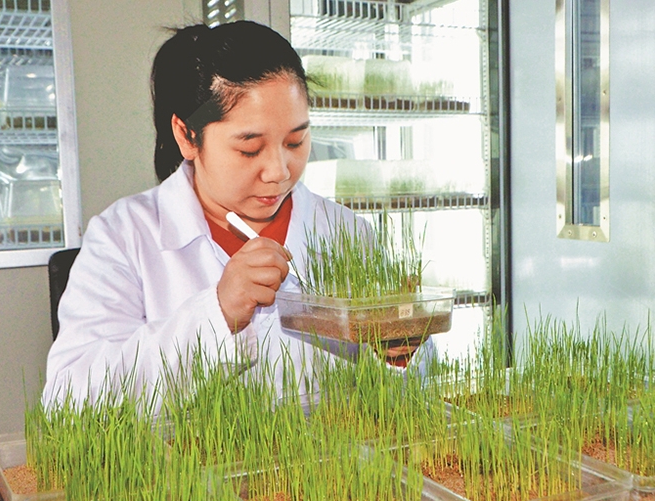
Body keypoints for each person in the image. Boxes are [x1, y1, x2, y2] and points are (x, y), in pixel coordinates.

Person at [43, 20, 435, 409]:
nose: (278, 171)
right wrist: (218, 313)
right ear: (187, 136)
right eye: (250, 149)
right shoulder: (124, 235)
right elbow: (68, 399)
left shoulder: (346, 232)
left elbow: (416, 391)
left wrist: (399, 350)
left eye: (295, 141)